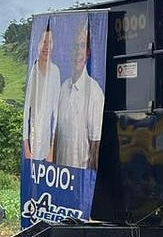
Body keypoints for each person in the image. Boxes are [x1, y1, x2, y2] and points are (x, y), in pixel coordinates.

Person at [54, 22, 105, 170]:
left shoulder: (94, 92)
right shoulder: (63, 88)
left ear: (88, 53)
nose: (78, 52)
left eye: (82, 46)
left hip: (80, 178)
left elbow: (96, 144)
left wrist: (87, 183)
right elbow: (57, 134)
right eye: (75, 46)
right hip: (61, 178)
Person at [22, 24, 60, 161]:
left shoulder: (55, 72)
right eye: (44, 41)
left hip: (47, 145)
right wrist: (26, 147)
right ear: (38, 44)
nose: (46, 46)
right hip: (32, 143)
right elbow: (27, 109)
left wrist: (52, 148)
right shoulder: (33, 71)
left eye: (49, 42)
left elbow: (56, 111)